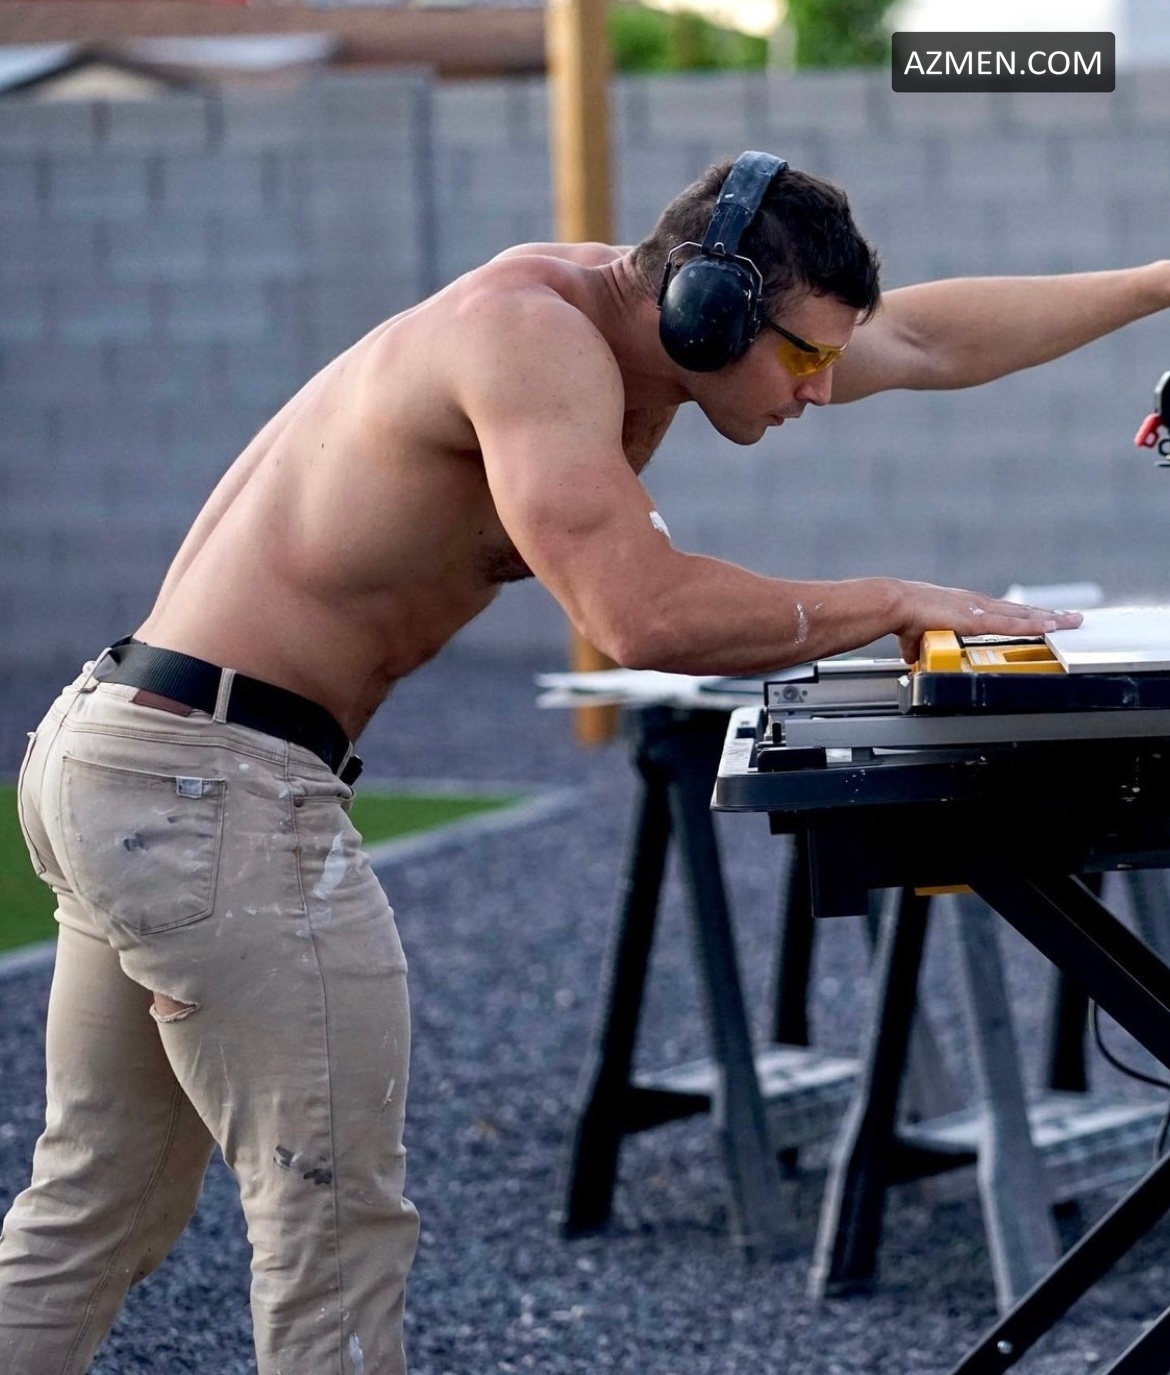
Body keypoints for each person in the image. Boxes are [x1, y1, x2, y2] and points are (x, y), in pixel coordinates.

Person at [2, 146, 1165, 1374]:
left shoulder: (644, 329)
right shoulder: (530, 339)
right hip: (211, 787)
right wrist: (894, 599)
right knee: (331, 1233)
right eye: (804, 361)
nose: (822, 392)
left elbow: (925, 340)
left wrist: (1154, 283)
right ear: (708, 308)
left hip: (137, 759)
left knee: (94, 1208)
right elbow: (641, 614)